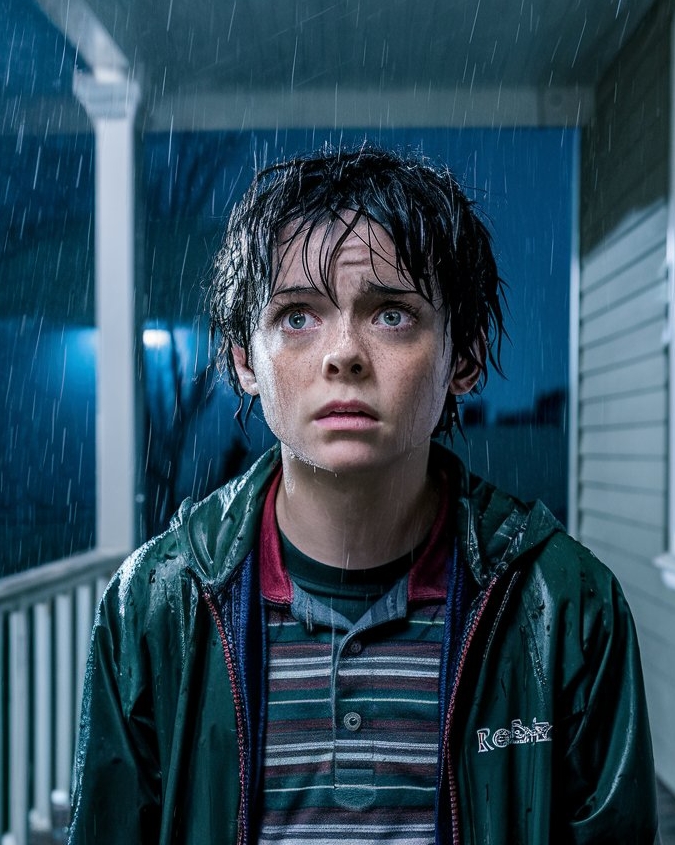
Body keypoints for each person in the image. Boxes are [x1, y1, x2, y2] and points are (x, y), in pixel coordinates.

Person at [69, 146, 658, 844]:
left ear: (462, 356)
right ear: (241, 358)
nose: (341, 352)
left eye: (390, 314)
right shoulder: (153, 606)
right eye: (296, 316)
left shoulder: (565, 606)